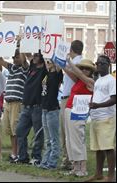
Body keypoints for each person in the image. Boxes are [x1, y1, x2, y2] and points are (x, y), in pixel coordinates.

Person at [86, 55, 116, 182]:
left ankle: (110, 176)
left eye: (100, 63)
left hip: (107, 118)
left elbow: (114, 99)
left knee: (108, 147)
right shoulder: (98, 80)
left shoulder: (111, 80)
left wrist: (98, 105)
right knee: (98, 148)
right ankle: (98, 173)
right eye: (97, 63)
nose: (97, 65)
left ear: (107, 65)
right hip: (96, 118)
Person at [63, 58, 95, 177]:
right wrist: (60, 63)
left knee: (78, 138)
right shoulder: (78, 80)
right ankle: (75, 166)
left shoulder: (90, 81)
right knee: (70, 140)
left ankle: (83, 167)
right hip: (70, 109)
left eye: (87, 69)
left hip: (78, 111)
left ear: (91, 71)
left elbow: (79, 74)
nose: (84, 70)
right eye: (83, 68)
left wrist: (70, 63)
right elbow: (69, 72)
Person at [0, 49, 29, 163]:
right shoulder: (12, 68)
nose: (15, 59)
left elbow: (24, 59)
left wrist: (21, 45)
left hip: (17, 102)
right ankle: (13, 153)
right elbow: (0, 61)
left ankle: (19, 153)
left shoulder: (25, 69)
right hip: (8, 102)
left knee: (16, 129)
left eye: (17, 57)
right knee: (10, 129)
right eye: (14, 57)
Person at [15, 51, 47, 165]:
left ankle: (36, 157)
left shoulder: (44, 70)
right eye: (34, 55)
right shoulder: (31, 67)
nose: (34, 57)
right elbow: (26, 55)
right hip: (26, 107)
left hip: (37, 106)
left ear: (42, 57)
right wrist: (22, 42)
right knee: (20, 130)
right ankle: (23, 156)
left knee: (38, 133)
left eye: (37, 55)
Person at [59, 40, 83, 170]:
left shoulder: (78, 62)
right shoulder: (73, 62)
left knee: (68, 131)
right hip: (66, 96)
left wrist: (64, 66)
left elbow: (75, 77)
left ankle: (70, 160)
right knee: (64, 130)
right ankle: (67, 158)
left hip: (70, 98)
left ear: (71, 50)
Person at [39, 59, 63, 169]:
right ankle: (45, 162)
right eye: (46, 62)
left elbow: (59, 66)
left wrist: (56, 61)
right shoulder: (46, 74)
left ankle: (52, 163)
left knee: (54, 139)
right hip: (44, 108)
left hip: (52, 109)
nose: (46, 63)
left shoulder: (57, 74)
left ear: (54, 63)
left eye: (49, 62)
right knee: (47, 139)